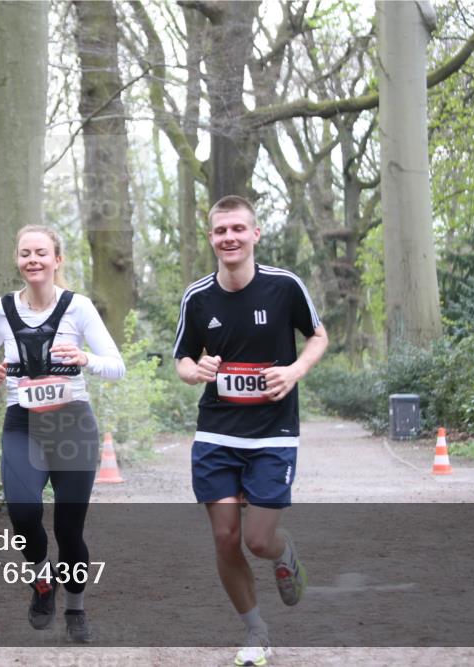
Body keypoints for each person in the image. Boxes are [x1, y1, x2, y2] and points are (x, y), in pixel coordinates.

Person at [173, 195, 328, 666]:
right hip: (218, 434)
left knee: (258, 540)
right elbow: (181, 359)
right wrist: (195, 370)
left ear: (255, 234)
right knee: (225, 538)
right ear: (211, 238)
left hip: (272, 433)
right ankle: (256, 631)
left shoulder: (284, 286)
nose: (230, 238)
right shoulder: (197, 297)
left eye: (238, 229)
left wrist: (295, 370)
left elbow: (318, 336)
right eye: (221, 231)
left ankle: (284, 555)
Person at [0, 225, 124, 643]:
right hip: (22, 423)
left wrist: (85, 358)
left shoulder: (79, 308)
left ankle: (75, 607)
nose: (33, 260)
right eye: (25, 253)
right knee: (23, 515)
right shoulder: (0, 309)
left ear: (57, 260)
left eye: (41, 252)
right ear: (18, 260)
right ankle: (42, 582)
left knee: (69, 530)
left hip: (72, 422)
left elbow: (116, 364)